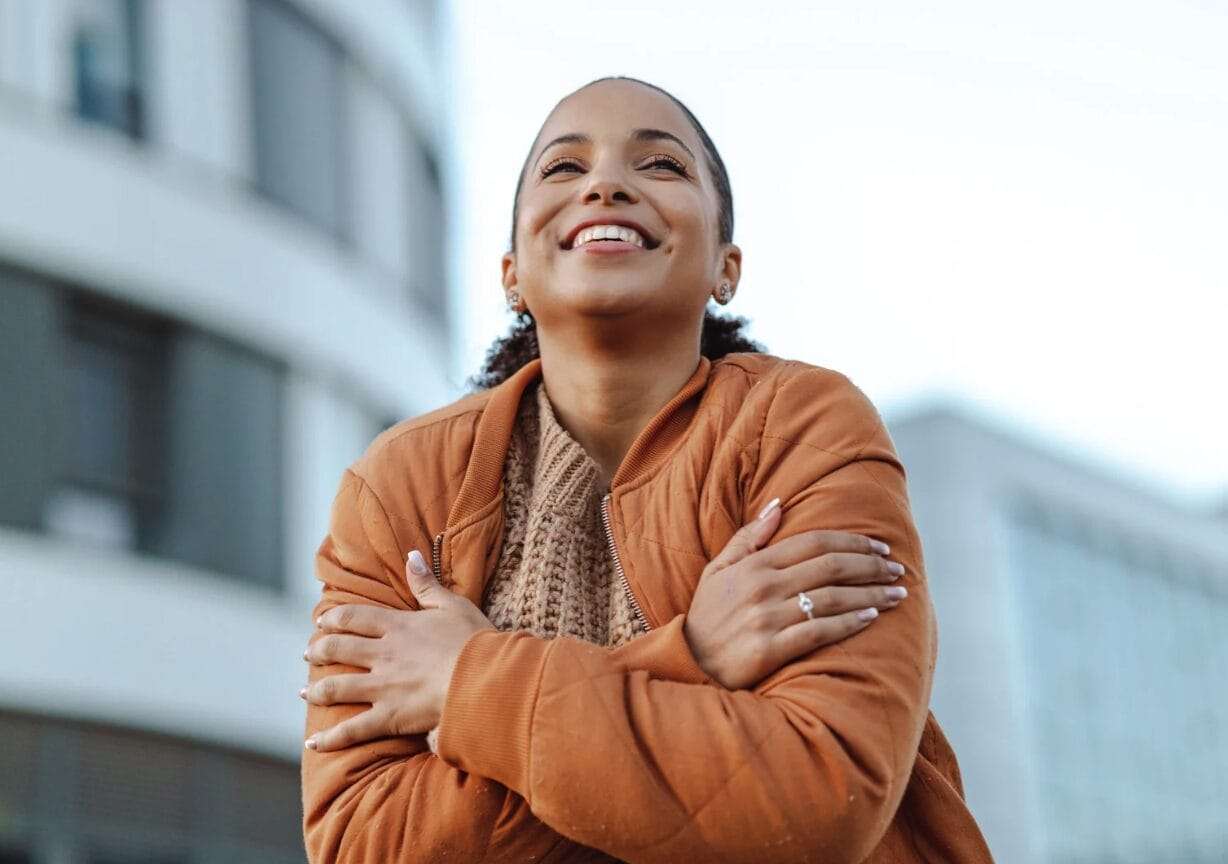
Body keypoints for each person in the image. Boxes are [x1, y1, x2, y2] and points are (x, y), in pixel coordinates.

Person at [299, 76, 994, 863]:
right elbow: (365, 842)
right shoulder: (400, 482)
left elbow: (820, 795)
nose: (605, 183)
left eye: (660, 165)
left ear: (725, 269)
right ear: (511, 275)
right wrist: (687, 656)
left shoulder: (804, 425)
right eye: (563, 169)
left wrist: (468, 685)